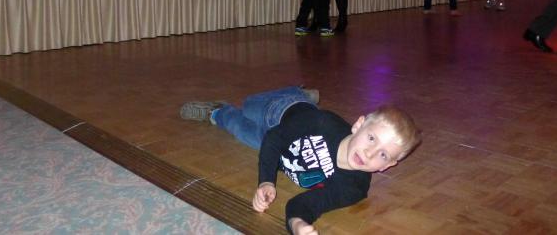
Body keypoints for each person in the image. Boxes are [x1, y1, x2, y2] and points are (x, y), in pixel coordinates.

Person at [179, 87, 421, 235]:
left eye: (383, 154)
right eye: (371, 138)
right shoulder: (324, 124)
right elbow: (276, 136)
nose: (369, 153)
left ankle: (216, 111)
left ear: (387, 166)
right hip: (282, 113)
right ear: (358, 125)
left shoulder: (353, 188)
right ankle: (298, 93)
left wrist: (297, 224)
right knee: (249, 105)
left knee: (240, 129)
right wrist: (266, 181)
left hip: (280, 146)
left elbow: (307, 204)